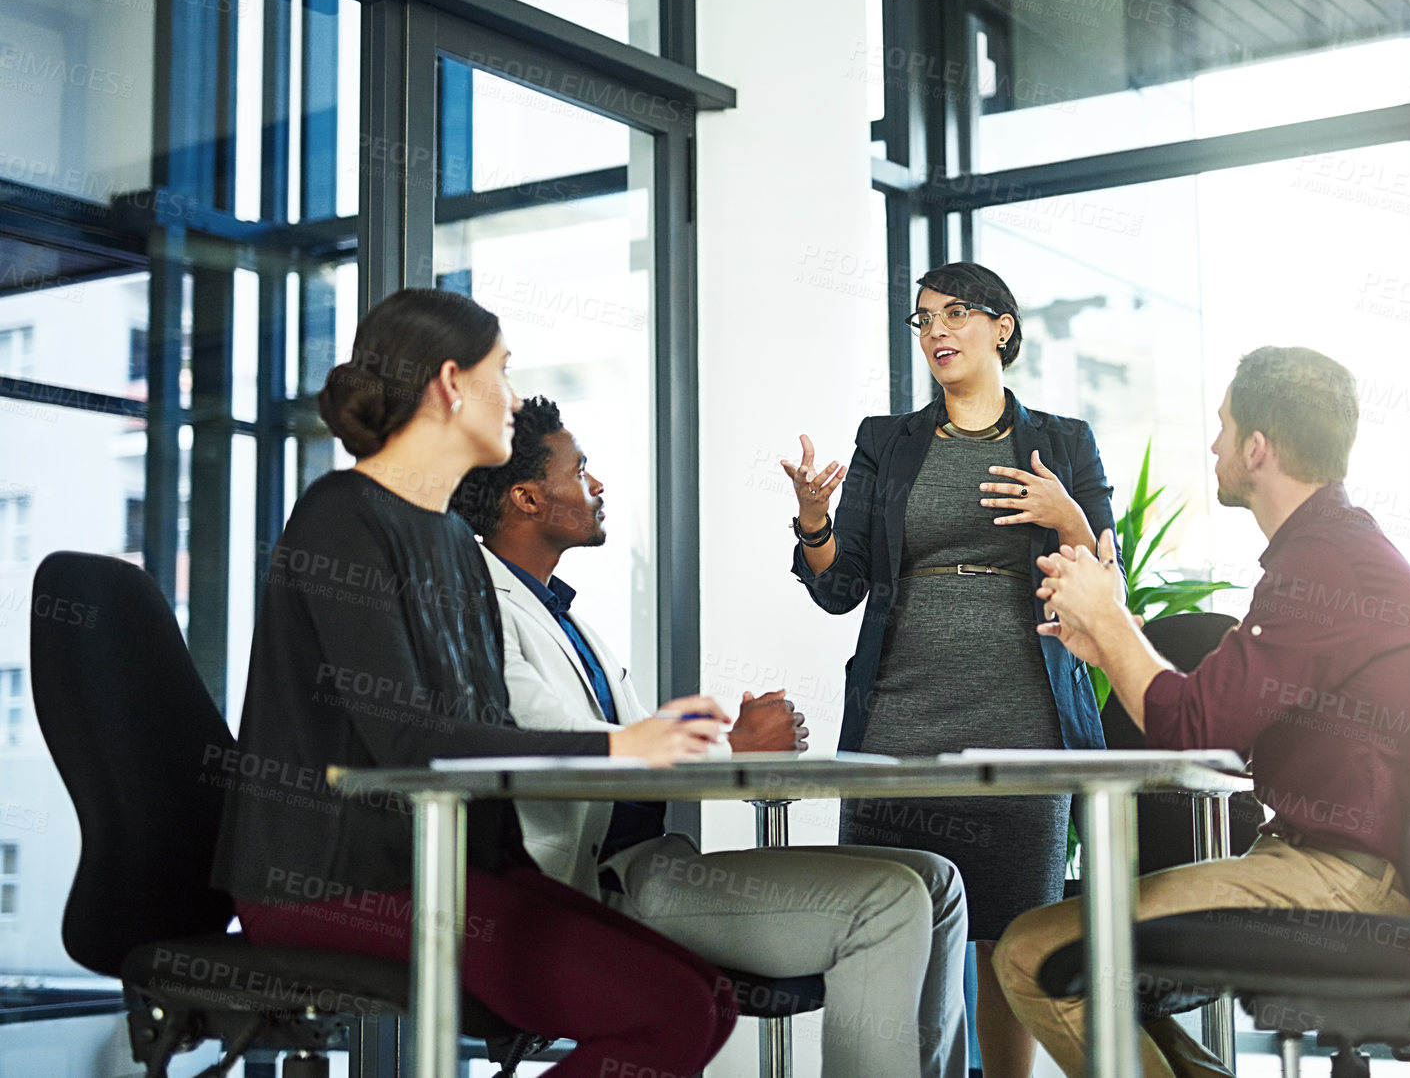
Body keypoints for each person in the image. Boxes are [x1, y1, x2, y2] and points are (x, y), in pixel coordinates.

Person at [212, 289, 737, 1078]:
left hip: (447, 868)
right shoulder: (341, 515)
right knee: (668, 1011)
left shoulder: (456, 544)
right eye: (504, 372)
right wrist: (617, 744)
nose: (514, 396)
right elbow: (411, 741)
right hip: (332, 879)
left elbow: (484, 726)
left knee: (711, 998)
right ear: (451, 385)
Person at [452, 396, 971, 1078]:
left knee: (936, 879)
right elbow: (561, 745)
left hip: (658, 863)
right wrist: (732, 750)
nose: (599, 486)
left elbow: (631, 744)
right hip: (598, 886)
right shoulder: (483, 606)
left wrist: (734, 741)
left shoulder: (567, 617)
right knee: (888, 900)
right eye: (581, 471)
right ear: (525, 496)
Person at [993, 346, 1410, 1078]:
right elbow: (1211, 709)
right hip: (1333, 864)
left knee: (1033, 953)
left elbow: (1190, 728)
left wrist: (1109, 622)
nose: (1214, 443)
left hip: (1341, 880)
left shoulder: (1325, 567)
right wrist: (1110, 639)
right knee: (1087, 966)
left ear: (1257, 448)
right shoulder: (1332, 552)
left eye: (1224, 425)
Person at [784, 261, 1116, 1077]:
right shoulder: (885, 442)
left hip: (1022, 725)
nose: (935, 329)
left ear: (1003, 326)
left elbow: (1108, 582)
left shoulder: (1064, 442)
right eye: (922, 318)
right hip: (897, 723)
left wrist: (1064, 515)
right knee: (896, 930)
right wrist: (814, 520)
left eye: (956, 312)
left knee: (1011, 937)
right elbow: (839, 586)